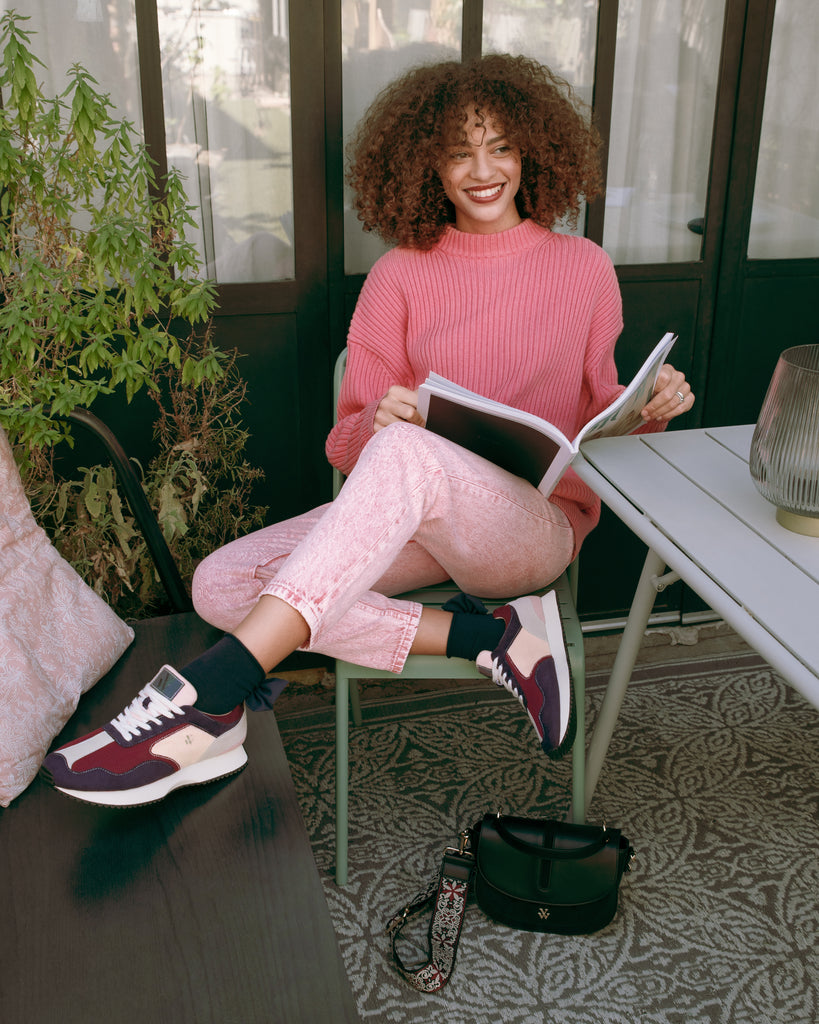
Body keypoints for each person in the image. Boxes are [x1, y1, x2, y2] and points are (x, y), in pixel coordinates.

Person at [42, 53, 694, 807]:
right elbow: (348, 440)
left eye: (500, 146)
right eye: (458, 152)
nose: (482, 170)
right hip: (413, 517)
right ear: (427, 168)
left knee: (410, 455)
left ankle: (211, 695)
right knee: (221, 582)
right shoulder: (400, 276)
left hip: (530, 531)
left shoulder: (582, 267)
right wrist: (376, 420)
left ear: (531, 152)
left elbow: (601, 414)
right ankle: (494, 639)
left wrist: (649, 405)